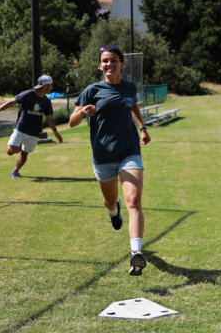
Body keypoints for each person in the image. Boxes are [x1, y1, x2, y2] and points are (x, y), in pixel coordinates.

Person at [69, 46, 151, 276]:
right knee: (109, 200)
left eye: (113, 60)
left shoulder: (129, 87)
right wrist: (83, 111)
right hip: (103, 157)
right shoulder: (92, 90)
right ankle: (114, 212)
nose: (109, 64)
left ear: (122, 64)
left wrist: (142, 128)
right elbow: (71, 122)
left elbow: (133, 104)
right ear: (100, 66)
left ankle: (136, 254)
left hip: (129, 151)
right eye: (105, 61)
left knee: (133, 200)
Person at [0, 75, 63, 179]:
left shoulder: (46, 101)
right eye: (51, 85)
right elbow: (11, 102)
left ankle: (15, 171)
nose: (52, 88)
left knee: (25, 154)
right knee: (10, 151)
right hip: (21, 129)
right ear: (45, 86)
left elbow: (50, 118)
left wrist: (56, 132)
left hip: (34, 133)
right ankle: (18, 147)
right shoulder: (27, 94)